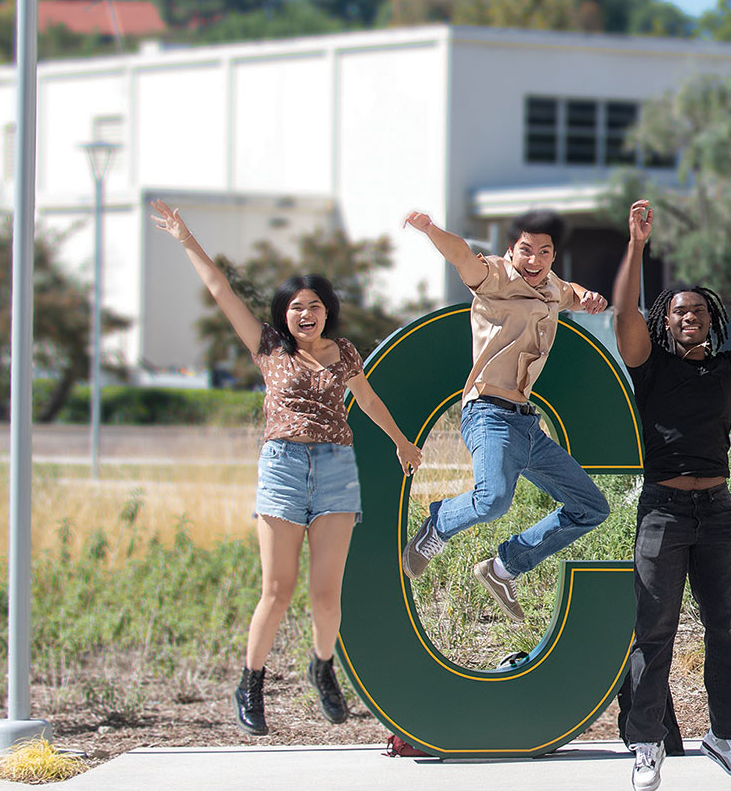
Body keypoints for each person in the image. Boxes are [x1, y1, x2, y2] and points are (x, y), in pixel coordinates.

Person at [151, 199, 423, 736]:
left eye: (315, 306)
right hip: (281, 467)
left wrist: (401, 442)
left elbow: (366, 400)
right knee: (277, 589)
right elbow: (221, 290)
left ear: (328, 311)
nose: (306, 313)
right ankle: (250, 681)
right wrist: (186, 238)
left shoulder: (343, 352)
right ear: (285, 312)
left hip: (337, 470)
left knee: (326, 594)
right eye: (297, 306)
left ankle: (323, 667)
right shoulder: (268, 347)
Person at [611, 200, 731, 791]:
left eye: (696, 310)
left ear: (711, 319)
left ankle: (724, 737)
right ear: (665, 322)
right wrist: (636, 247)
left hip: (717, 511)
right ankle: (646, 745)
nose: (688, 316)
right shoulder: (649, 365)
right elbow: (622, 314)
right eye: (678, 311)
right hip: (664, 511)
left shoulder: (728, 367)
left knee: (726, 630)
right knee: (655, 631)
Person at [398, 209, 611, 621]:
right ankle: (438, 525)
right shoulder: (494, 277)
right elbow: (461, 256)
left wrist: (589, 298)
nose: (535, 261)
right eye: (526, 251)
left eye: (544, 252)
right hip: (488, 413)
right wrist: (430, 230)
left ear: (552, 256)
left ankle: (504, 567)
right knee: (493, 499)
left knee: (591, 507)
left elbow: (573, 292)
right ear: (511, 251)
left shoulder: (550, 285)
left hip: (526, 425)